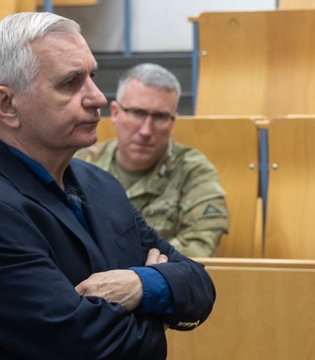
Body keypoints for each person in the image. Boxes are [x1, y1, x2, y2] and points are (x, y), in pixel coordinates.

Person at [0, 12, 215, 360]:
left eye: (93, 77)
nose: (98, 97)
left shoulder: (100, 184)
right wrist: (160, 311)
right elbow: (87, 345)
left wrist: (141, 284)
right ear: (7, 105)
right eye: (70, 83)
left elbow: (198, 284)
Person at [75, 64, 228, 257]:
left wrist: (135, 276)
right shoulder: (82, 165)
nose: (146, 130)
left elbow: (200, 246)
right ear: (115, 113)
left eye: (160, 116)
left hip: (164, 285)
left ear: (172, 122)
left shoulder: (193, 171)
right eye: (137, 113)